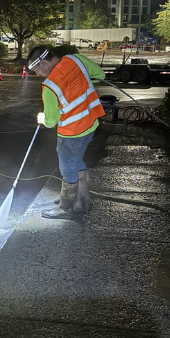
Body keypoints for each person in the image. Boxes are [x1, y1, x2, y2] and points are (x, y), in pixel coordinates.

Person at [26, 46, 106, 219]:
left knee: (68, 167)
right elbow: (100, 75)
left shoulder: (49, 86)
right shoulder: (76, 60)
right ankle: (82, 200)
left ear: (44, 63)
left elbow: (51, 121)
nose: (38, 74)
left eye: (36, 70)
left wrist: (42, 118)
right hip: (90, 124)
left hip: (71, 133)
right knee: (76, 161)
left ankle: (65, 207)